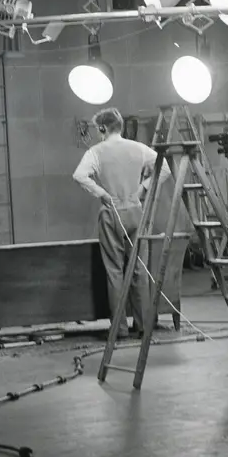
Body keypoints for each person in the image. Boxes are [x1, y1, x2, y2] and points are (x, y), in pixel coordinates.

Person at [72, 108, 166, 337]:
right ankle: (143, 326)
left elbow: (79, 175)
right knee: (139, 270)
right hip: (135, 211)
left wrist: (102, 193)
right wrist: (143, 188)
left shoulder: (96, 152)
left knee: (114, 271)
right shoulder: (138, 148)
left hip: (111, 212)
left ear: (103, 128)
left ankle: (119, 329)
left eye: (98, 130)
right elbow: (164, 169)